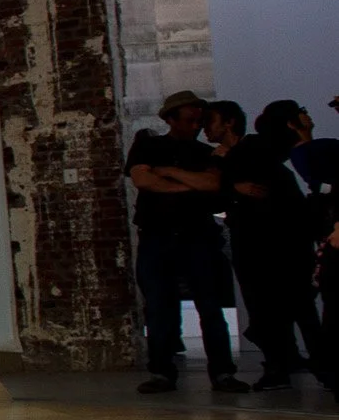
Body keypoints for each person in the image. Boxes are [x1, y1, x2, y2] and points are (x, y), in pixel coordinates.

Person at [125, 90, 239, 394]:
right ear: (171, 119)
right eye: (189, 120)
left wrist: (170, 174)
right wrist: (187, 186)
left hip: (197, 236)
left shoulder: (206, 153)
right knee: (159, 307)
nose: (195, 127)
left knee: (210, 306)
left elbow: (212, 183)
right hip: (157, 235)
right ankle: (162, 371)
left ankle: (222, 372)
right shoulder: (148, 143)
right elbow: (142, 180)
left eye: (199, 121)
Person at [224, 100, 331, 392]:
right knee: (293, 309)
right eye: (301, 113)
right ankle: (308, 367)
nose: (307, 115)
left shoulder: (273, 156)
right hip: (276, 247)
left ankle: (296, 366)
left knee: (287, 309)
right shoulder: (276, 158)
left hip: (277, 246)